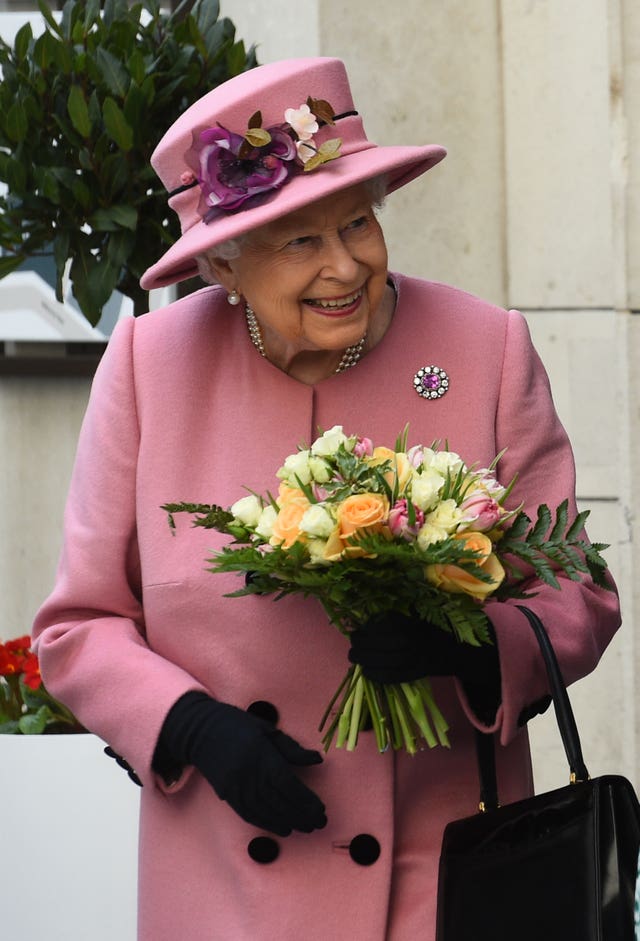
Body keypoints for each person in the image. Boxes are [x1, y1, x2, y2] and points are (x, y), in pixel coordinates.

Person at [32, 57, 620, 940]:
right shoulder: (150, 370)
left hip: (446, 873)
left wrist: (468, 649)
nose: (346, 267)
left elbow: (577, 589)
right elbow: (80, 626)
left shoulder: (483, 346)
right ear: (224, 267)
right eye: (300, 241)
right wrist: (190, 727)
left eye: (359, 223)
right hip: (226, 873)